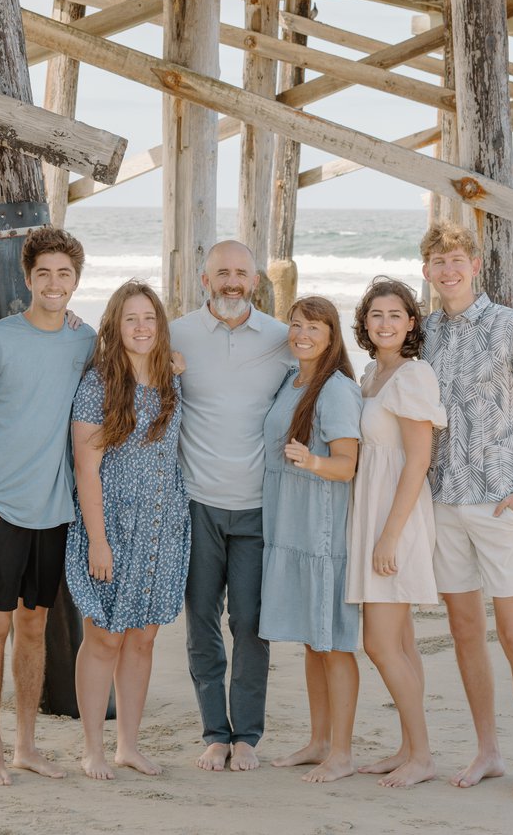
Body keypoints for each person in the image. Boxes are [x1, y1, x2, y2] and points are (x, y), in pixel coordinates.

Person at [0, 225, 95, 786]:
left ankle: (26, 745)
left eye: (65, 274)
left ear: (76, 280)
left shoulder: (86, 342)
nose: (55, 284)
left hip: (55, 509)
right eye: (45, 274)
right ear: (27, 277)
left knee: (34, 627)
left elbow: (138, 361)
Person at [420, 220, 513, 799]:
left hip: (501, 501)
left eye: (457, 259)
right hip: (443, 501)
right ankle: (488, 750)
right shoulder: (422, 333)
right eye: (438, 261)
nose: (448, 269)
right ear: (426, 271)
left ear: (476, 265)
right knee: (464, 630)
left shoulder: (510, 326)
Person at [169, 240, 291, 771]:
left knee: (250, 622)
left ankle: (248, 736)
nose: (232, 281)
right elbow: (119, 356)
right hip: (197, 501)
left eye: (242, 272)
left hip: (259, 507)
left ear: (256, 281)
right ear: (205, 279)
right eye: (222, 272)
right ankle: (215, 732)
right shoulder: (176, 334)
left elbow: (328, 377)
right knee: (200, 620)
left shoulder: (283, 338)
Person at [66, 281, 190, 780]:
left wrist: (177, 361)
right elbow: (85, 468)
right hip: (111, 525)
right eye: (131, 319)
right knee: (104, 639)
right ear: (115, 327)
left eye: (149, 318)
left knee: (142, 640)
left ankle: (128, 746)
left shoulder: (170, 377)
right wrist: (98, 539)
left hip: (162, 525)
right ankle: (92, 748)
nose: (141, 328)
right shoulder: (99, 383)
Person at [345, 277, 446, 789]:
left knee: (380, 643)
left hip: (397, 519)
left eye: (395, 315)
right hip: (373, 513)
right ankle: (408, 747)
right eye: (375, 315)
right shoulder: (370, 375)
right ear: (365, 323)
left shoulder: (413, 375)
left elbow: (418, 461)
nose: (384, 323)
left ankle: (422, 754)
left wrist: (388, 536)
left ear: (411, 322)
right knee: (401, 643)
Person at [261, 295, 362, 784]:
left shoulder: (337, 390)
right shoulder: (292, 379)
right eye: (296, 325)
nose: (302, 334)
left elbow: (348, 464)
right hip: (291, 525)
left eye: (314, 328)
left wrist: (313, 461)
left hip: (321, 532)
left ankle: (341, 752)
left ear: (331, 336)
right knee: (311, 641)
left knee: (334, 643)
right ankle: (319, 741)